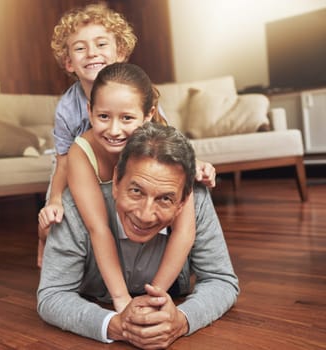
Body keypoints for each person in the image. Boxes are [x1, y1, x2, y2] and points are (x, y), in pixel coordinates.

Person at [38, 2, 215, 264]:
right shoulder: (67, 106)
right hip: (79, 167)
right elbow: (63, 159)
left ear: (120, 51)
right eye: (79, 48)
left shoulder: (138, 91)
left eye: (101, 44)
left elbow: (165, 135)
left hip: (125, 165)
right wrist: (54, 200)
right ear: (68, 63)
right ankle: (43, 246)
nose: (91, 53)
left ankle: (166, 257)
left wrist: (195, 162)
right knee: (51, 219)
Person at [37, 122, 239, 349]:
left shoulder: (197, 200)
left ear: (183, 201)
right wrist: (115, 324)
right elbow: (53, 295)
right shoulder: (74, 207)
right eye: (136, 191)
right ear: (116, 181)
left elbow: (221, 280)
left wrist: (181, 320)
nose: (145, 215)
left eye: (165, 199)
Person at [48, 62, 196, 314]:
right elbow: (99, 228)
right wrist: (121, 298)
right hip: (100, 236)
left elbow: (184, 231)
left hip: (145, 251)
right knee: (49, 221)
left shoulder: (165, 145)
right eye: (103, 117)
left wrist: (155, 296)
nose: (114, 130)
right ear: (89, 110)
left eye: (127, 118)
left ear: (148, 115)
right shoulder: (81, 153)